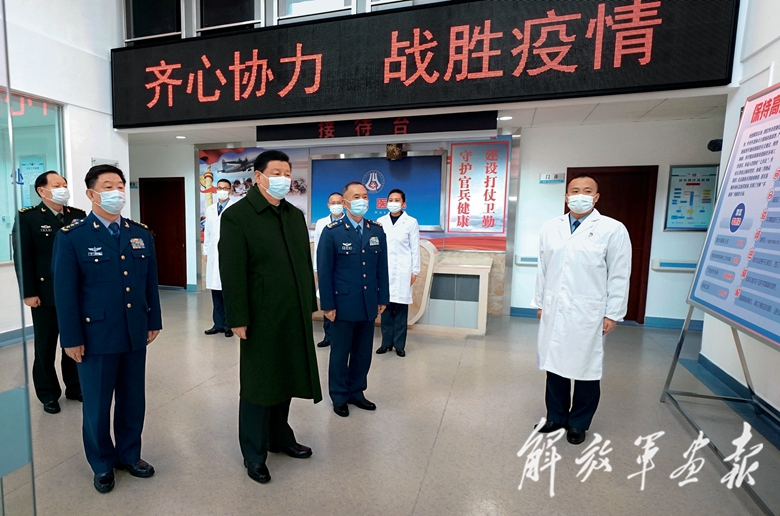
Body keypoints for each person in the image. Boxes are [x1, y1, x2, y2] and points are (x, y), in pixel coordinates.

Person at [52, 164, 162, 493]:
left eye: (120, 186)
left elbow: (149, 282)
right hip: (95, 335)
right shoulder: (73, 236)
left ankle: (129, 455)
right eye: (108, 186)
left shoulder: (139, 233)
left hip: (133, 331)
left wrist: (153, 320)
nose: (116, 192)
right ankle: (102, 463)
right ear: (91, 193)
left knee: (132, 400)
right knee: (98, 405)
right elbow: (65, 292)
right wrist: (71, 338)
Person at [219, 150, 322, 485]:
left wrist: (309, 303)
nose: (283, 179)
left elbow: (303, 262)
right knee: (259, 383)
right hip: (260, 315)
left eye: (286, 173)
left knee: (286, 375)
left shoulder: (293, 215)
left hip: (292, 312)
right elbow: (232, 270)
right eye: (276, 172)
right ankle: (253, 453)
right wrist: (237, 316)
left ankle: (280, 437)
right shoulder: (238, 216)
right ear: (258, 176)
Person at [531, 175, 631, 445]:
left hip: (590, 310)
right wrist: (540, 302)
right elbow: (543, 268)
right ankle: (555, 417)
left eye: (587, 191)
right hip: (555, 306)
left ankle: (578, 423)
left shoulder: (612, 229)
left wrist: (613, 313)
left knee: (586, 367)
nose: (580, 195)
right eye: (574, 191)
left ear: (596, 197)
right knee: (554, 363)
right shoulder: (551, 227)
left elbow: (619, 274)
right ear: (566, 196)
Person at [12, 171, 85, 414]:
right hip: (44, 294)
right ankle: (48, 394)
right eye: (57, 185)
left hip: (75, 293)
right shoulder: (29, 218)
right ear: (41, 191)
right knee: (45, 347)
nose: (63, 189)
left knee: (73, 340)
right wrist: (28, 292)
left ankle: (75, 387)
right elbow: (23, 258)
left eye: (64, 184)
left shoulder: (77, 216)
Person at [317, 181, 389, 417]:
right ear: (346, 202)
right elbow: (325, 271)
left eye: (365, 196)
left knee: (362, 352)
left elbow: (382, 268)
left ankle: (357, 392)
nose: (362, 201)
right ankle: (339, 395)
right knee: (340, 353)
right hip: (343, 304)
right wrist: (327, 305)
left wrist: (382, 298)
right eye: (356, 196)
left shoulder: (376, 230)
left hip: (368, 302)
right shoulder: (332, 232)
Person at [376, 189, 420, 357]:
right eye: (390, 200)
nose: (393, 203)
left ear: (403, 204)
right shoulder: (380, 222)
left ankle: (399, 345)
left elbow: (415, 248)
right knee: (385, 308)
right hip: (384, 270)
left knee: (401, 310)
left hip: (403, 270)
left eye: (397, 200)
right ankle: (386, 343)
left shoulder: (411, 222)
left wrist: (414, 271)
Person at [203, 179, 236, 337]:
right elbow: (208, 233)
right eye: (220, 188)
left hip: (230, 255)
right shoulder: (210, 210)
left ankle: (229, 325)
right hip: (213, 255)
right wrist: (206, 252)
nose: (222, 191)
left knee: (228, 292)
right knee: (215, 292)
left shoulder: (235, 208)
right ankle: (217, 324)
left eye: (225, 188)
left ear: (230, 191)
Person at [312, 192, 345, 348]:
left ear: (344, 204)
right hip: (326, 268)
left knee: (342, 303)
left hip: (343, 269)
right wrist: (317, 269)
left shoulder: (349, 222)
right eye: (333, 203)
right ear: (328, 205)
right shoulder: (321, 223)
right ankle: (328, 336)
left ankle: (341, 336)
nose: (336, 206)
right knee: (327, 299)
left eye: (339, 202)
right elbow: (318, 248)